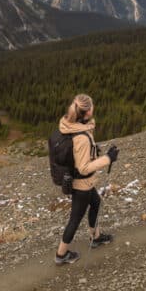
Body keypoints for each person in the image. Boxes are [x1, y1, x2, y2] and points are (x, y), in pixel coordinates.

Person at [55, 93, 118, 265]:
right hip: (82, 183)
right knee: (75, 218)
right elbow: (83, 168)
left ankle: (95, 237)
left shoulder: (71, 124)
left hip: (84, 182)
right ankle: (61, 255)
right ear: (88, 111)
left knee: (96, 204)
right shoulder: (81, 137)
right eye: (92, 107)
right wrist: (108, 159)